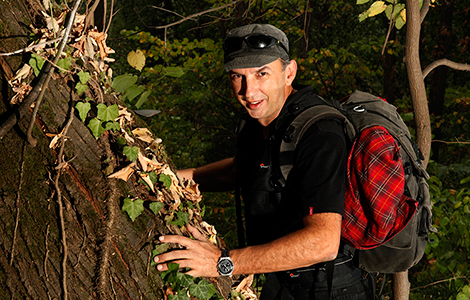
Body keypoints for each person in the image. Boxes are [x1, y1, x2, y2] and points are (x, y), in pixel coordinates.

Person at [154, 24, 372, 299]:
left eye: (261, 74)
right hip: (278, 283)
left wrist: (222, 263)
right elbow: (240, 170)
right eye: (238, 76)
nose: (249, 90)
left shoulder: (319, 133)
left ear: (289, 73)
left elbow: (323, 243)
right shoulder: (259, 123)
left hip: (329, 289)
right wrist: (170, 178)